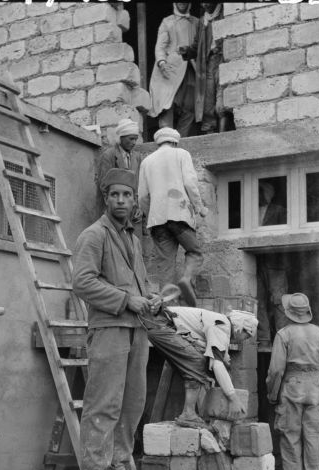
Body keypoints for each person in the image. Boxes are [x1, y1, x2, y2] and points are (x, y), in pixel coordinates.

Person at [72, 168, 159, 470]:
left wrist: (148, 296)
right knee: (104, 402)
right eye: (114, 195)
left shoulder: (132, 239)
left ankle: (117, 466)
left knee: (132, 402)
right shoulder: (94, 235)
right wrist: (126, 300)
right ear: (106, 199)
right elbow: (82, 283)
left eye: (126, 195)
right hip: (109, 329)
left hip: (137, 329)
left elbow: (136, 282)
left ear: (134, 200)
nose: (121, 200)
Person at [142, 296, 258, 428]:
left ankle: (195, 413)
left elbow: (215, 359)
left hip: (162, 325)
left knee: (203, 362)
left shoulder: (222, 326)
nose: (245, 339)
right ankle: (188, 414)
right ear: (240, 327)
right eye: (247, 335)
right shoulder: (222, 325)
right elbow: (217, 365)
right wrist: (233, 398)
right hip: (161, 325)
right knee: (197, 362)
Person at [266, 293, 319, 470]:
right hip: (316, 386)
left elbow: (276, 370)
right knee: (314, 436)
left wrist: (272, 394)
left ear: (289, 313)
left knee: (290, 436)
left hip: (292, 386)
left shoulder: (284, 334)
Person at [138, 127, 208, 305]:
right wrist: (200, 207)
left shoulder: (147, 161)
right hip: (180, 216)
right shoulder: (181, 154)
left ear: (158, 142)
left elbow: (142, 196)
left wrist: (151, 214)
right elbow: (190, 183)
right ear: (175, 141)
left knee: (165, 266)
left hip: (157, 221)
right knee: (194, 252)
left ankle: (168, 310)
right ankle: (186, 279)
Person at [148, 3, 198, 138]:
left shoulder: (196, 22)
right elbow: (160, 46)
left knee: (190, 107)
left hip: (190, 69)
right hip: (170, 69)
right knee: (166, 104)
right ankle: (166, 139)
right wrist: (162, 62)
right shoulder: (167, 22)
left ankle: (181, 140)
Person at [180, 3, 231, 134]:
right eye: (202, 2)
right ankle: (210, 134)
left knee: (222, 101)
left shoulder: (225, 13)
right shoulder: (203, 21)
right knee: (207, 102)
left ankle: (223, 134)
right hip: (208, 63)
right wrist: (187, 51)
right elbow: (197, 45)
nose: (205, 4)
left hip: (223, 60)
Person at [256, 182, 288, 351]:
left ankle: (282, 339)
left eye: (262, 192)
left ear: (269, 194)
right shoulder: (250, 211)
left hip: (275, 263)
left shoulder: (279, 210)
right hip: (257, 262)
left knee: (279, 301)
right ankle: (263, 340)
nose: (259, 196)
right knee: (258, 302)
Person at [97, 118, 144, 231]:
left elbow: (138, 184)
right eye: (131, 139)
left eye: (136, 139)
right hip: (116, 207)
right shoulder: (109, 155)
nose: (134, 142)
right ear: (121, 138)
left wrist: (138, 206)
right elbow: (104, 185)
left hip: (132, 209)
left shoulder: (137, 157)